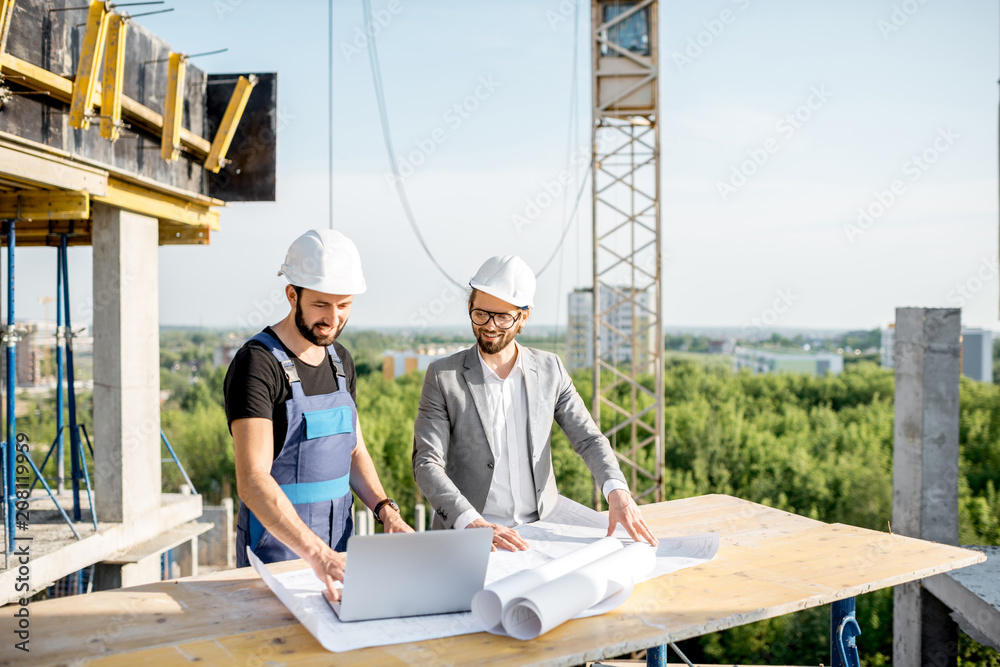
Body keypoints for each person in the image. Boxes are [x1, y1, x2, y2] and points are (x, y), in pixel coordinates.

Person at [412, 255, 657, 551]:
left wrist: (617, 491)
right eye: (481, 314)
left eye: (503, 317)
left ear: (524, 316)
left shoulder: (550, 369)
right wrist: (471, 521)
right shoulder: (443, 376)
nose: (490, 326)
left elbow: (589, 439)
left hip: (543, 527)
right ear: (469, 308)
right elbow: (427, 463)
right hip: (472, 531)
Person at [225, 229, 411, 600]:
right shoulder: (257, 365)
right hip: (276, 560)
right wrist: (315, 554)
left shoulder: (341, 360)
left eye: (344, 306)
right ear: (292, 295)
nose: (333, 318)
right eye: (321, 305)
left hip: (339, 554)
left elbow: (354, 451)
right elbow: (252, 479)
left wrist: (385, 509)